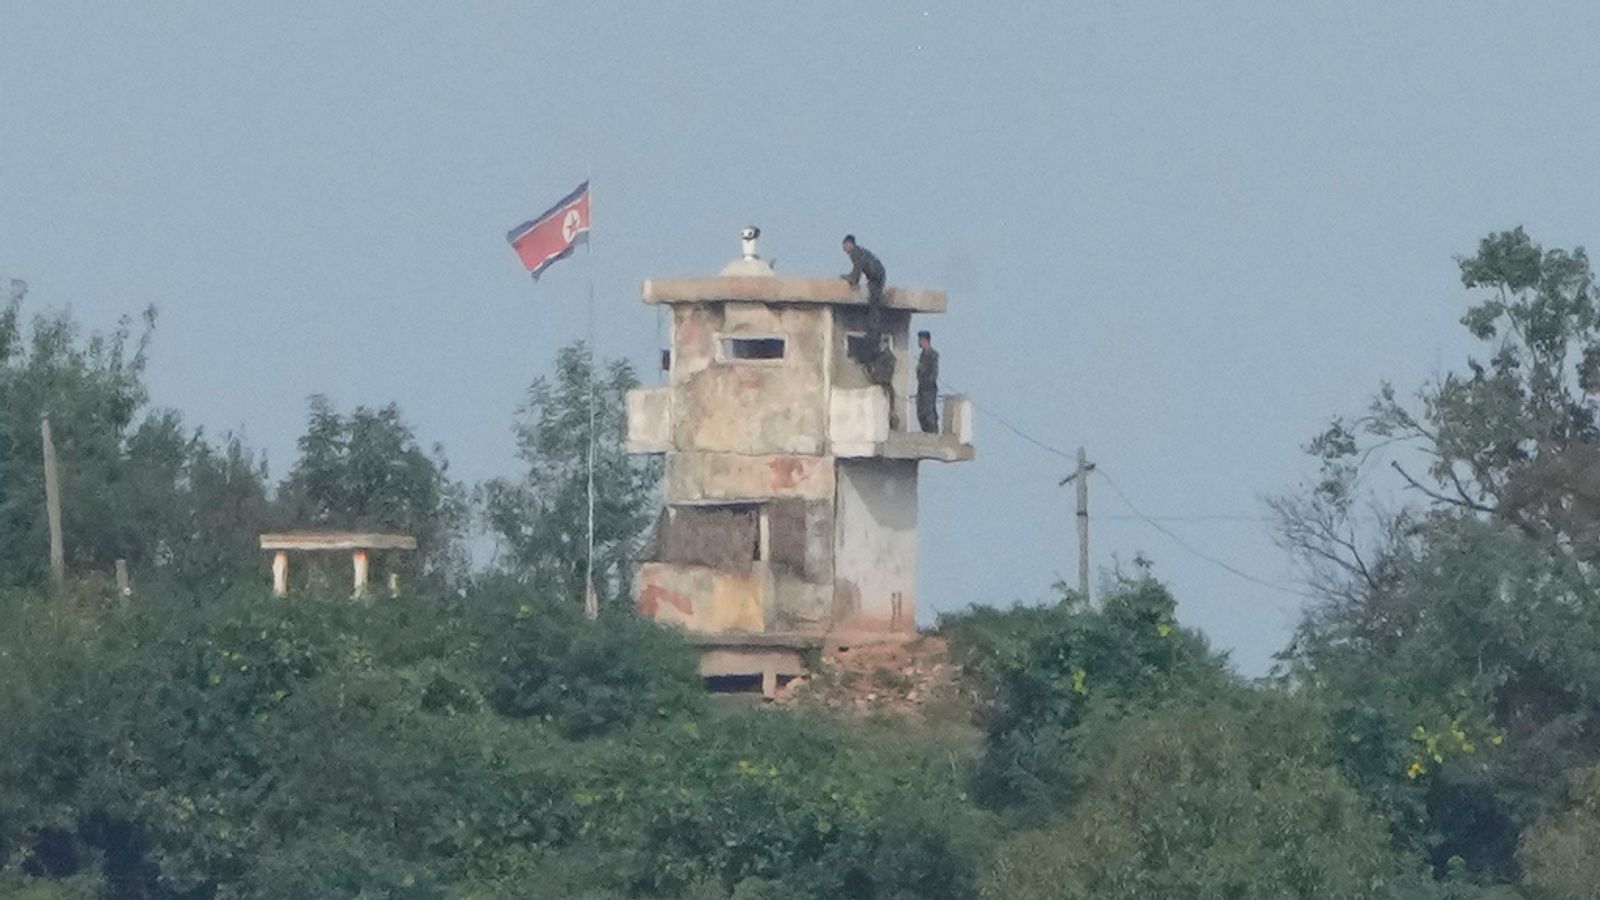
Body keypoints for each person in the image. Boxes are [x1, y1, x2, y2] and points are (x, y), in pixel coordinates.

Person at [840, 235, 886, 348]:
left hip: (876, 278)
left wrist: (853, 280)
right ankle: (873, 330)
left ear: (849, 244)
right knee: (873, 305)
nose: (844, 249)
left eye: (845, 246)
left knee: (874, 306)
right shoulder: (860, 251)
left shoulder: (855, 252)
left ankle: (874, 335)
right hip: (876, 276)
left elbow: (858, 268)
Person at [916, 330, 940, 434]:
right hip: (922, 388)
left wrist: (928, 381)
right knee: (921, 412)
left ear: (925, 340)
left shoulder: (933, 354)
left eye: (921, 340)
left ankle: (933, 433)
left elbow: (934, 371)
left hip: (929, 389)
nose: (919, 342)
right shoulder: (922, 355)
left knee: (928, 411)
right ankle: (926, 431)